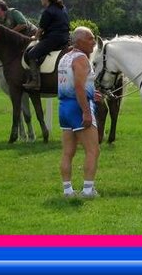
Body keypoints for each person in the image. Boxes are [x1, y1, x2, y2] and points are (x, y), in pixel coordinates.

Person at [57, 26, 102, 198]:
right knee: (93, 150)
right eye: (90, 38)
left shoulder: (65, 57)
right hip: (78, 107)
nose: (93, 42)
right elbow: (78, 87)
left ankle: (67, 190)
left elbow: (73, 84)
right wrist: (86, 112)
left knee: (68, 152)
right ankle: (88, 190)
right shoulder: (81, 59)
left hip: (64, 108)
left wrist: (91, 92)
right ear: (79, 41)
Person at [23, 0, 70, 91]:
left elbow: (40, 29)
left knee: (32, 54)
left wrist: (35, 37)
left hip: (53, 39)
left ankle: (35, 82)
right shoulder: (62, 8)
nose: (41, 1)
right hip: (65, 38)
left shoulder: (48, 11)